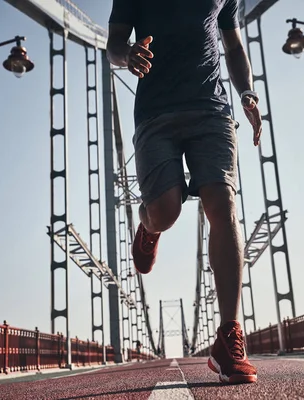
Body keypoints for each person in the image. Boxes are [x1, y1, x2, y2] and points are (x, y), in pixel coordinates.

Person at [107, 0, 262, 385]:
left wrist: (247, 93)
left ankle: (229, 336)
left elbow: (234, 45)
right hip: (155, 114)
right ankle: (149, 227)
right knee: (166, 211)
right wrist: (128, 56)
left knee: (223, 202)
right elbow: (113, 43)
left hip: (212, 110)